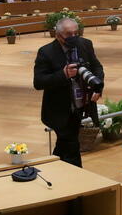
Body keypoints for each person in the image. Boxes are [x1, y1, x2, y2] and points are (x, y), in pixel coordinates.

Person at [33, 17, 104, 168]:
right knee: (72, 146)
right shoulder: (46, 52)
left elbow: (97, 67)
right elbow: (38, 82)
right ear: (58, 35)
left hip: (81, 106)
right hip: (59, 111)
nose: (73, 37)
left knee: (64, 146)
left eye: (75, 33)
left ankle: (53, 168)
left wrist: (98, 88)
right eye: (68, 34)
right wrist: (63, 74)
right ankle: (78, 179)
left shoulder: (85, 44)